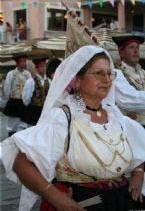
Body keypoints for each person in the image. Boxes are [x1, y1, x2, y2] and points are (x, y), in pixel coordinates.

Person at [1, 45, 145, 211]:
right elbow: (21, 163)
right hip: (84, 203)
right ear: (77, 81)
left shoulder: (116, 117)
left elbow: (140, 146)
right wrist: (55, 197)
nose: (107, 79)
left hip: (123, 201)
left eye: (109, 73)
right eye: (99, 73)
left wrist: (138, 173)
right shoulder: (63, 118)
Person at [112, 35, 145, 127]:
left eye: (137, 47)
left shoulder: (143, 72)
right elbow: (127, 100)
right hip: (130, 128)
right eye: (131, 47)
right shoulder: (116, 73)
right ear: (121, 52)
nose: (136, 50)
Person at [2, 54, 31, 136]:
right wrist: (9, 98)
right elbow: (7, 88)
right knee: (12, 125)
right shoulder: (11, 74)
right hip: (14, 102)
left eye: (25, 61)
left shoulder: (28, 74)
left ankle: (22, 143)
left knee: (25, 125)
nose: (24, 63)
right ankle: (10, 141)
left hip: (24, 102)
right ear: (17, 63)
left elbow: (30, 88)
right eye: (21, 61)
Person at [21, 57, 51, 128]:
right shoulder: (31, 82)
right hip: (33, 111)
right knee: (32, 130)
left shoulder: (49, 81)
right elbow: (26, 98)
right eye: (41, 66)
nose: (44, 68)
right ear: (36, 68)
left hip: (45, 110)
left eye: (45, 66)